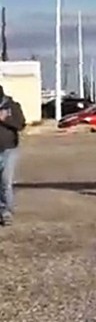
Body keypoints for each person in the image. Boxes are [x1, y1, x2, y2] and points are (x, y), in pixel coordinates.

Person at [0, 85, 24, 226]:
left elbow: (21, 124)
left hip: (9, 149)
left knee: (5, 182)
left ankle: (6, 212)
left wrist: (5, 119)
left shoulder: (12, 106)